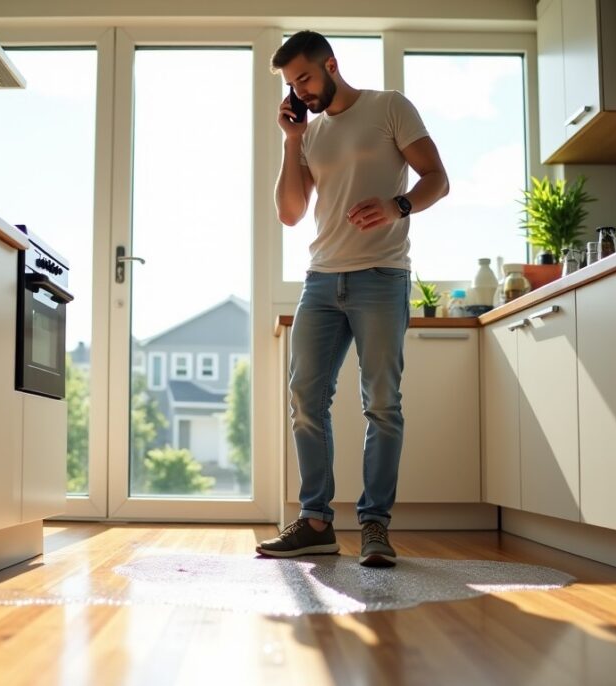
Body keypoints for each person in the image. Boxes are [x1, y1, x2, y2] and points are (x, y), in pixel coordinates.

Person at [256, 31, 449, 568]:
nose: (300, 91)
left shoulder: (389, 108)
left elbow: (438, 178)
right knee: (304, 400)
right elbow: (290, 213)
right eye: (292, 84)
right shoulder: (311, 135)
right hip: (322, 280)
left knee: (382, 404)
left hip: (382, 277)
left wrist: (399, 205)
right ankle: (316, 522)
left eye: (305, 79)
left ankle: (374, 526)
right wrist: (292, 142)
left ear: (331, 65)